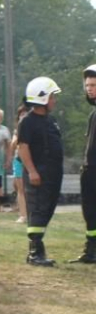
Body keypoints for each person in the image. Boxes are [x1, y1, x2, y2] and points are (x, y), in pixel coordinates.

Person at [18, 77, 64, 266]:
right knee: (37, 209)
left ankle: (39, 249)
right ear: (42, 97)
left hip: (53, 173)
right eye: (52, 96)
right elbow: (23, 147)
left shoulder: (50, 120)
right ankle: (35, 253)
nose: (54, 100)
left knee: (46, 208)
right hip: (38, 173)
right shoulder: (27, 121)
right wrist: (32, 171)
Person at [69, 65, 96, 263]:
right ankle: (91, 251)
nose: (89, 89)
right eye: (87, 85)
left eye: (94, 85)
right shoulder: (93, 114)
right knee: (90, 212)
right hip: (90, 170)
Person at [10, 105, 29, 223]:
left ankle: (33, 212)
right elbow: (12, 145)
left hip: (32, 162)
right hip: (19, 161)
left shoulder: (36, 128)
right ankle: (23, 215)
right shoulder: (17, 130)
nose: (23, 116)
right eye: (21, 114)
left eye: (25, 113)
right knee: (21, 189)